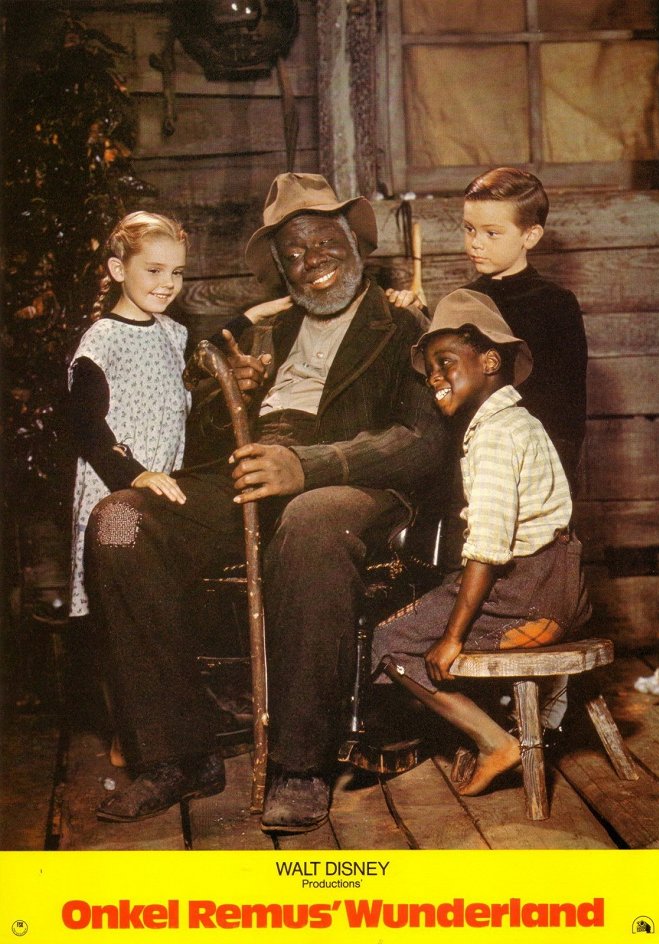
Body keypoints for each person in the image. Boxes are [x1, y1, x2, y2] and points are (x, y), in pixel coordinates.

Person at [84, 173, 449, 832]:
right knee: (120, 522)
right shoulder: (263, 330)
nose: (310, 263)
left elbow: (420, 441)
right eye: (293, 254)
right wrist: (231, 399)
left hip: (349, 484)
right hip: (250, 473)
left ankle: (299, 764)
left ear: (354, 242)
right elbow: (190, 432)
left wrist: (310, 464)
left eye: (322, 244)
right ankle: (176, 754)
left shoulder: (403, 323)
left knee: (311, 520)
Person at [371, 288, 591, 796]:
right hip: (561, 588)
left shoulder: (494, 435)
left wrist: (450, 637)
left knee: (390, 643)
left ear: (490, 360)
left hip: (529, 595)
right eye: (430, 371)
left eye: (446, 362)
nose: (435, 379)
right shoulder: (517, 421)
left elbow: (490, 546)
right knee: (429, 606)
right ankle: (503, 729)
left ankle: (494, 741)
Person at [68, 211, 191, 619]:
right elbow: (85, 426)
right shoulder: (103, 340)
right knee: (120, 606)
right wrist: (133, 474)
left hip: (159, 494)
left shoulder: (174, 334)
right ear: (119, 269)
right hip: (115, 494)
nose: (167, 283)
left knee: (154, 603)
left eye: (176, 271)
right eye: (154, 270)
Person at [462, 167, 587, 492]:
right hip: (471, 461)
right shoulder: (464, 302)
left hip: (534, 466)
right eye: (469, 229)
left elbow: (567, 409)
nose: (476, 243)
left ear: (530, 236)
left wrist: (555, 481)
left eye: (491, 233)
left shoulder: (555, 304)